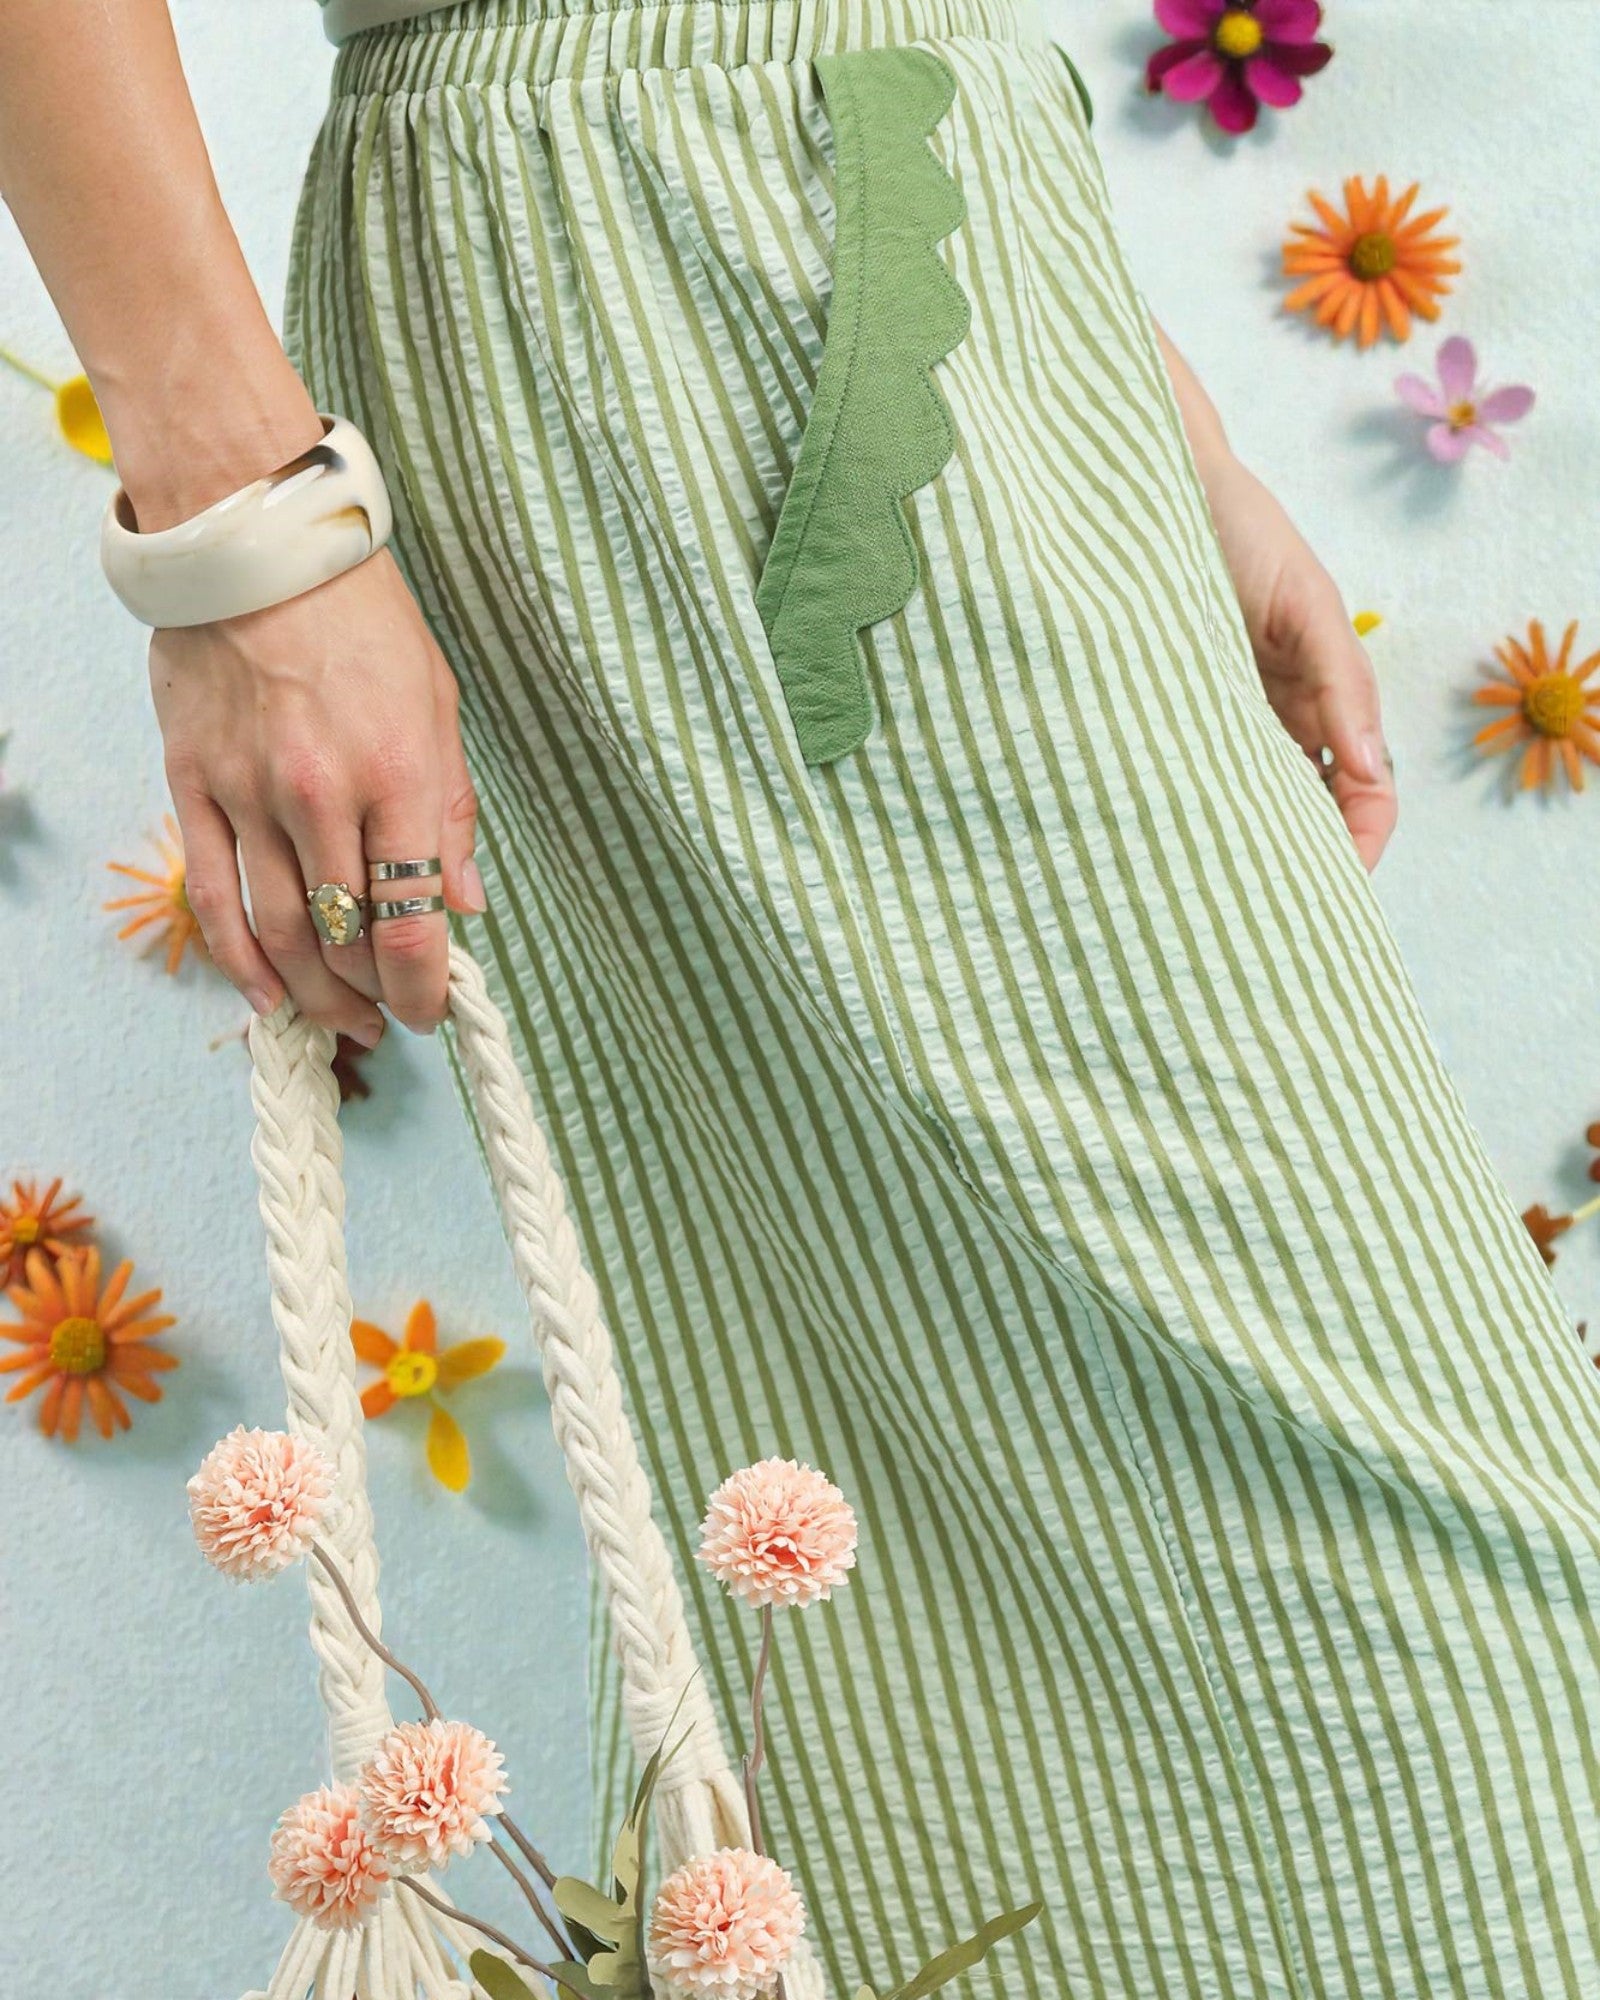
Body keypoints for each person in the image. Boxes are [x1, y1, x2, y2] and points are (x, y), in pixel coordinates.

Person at [8, 1, 1600, 1994]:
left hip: (927, 232)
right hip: (674, 255)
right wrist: (245, 536)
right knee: (1458, 1594)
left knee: (870, 1685)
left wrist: (1117, 401)